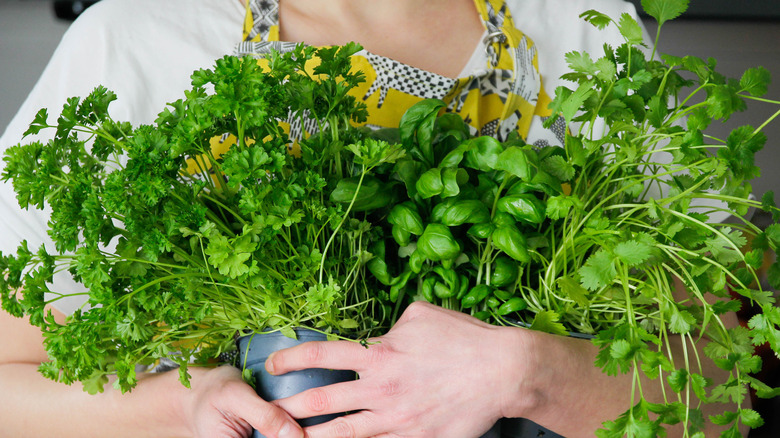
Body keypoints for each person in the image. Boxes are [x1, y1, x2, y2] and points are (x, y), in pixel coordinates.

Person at [0, 0, 747, 437]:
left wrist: (534, 374)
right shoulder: (136, 38)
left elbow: (721, 389)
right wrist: (181, 402)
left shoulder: (584, 28)